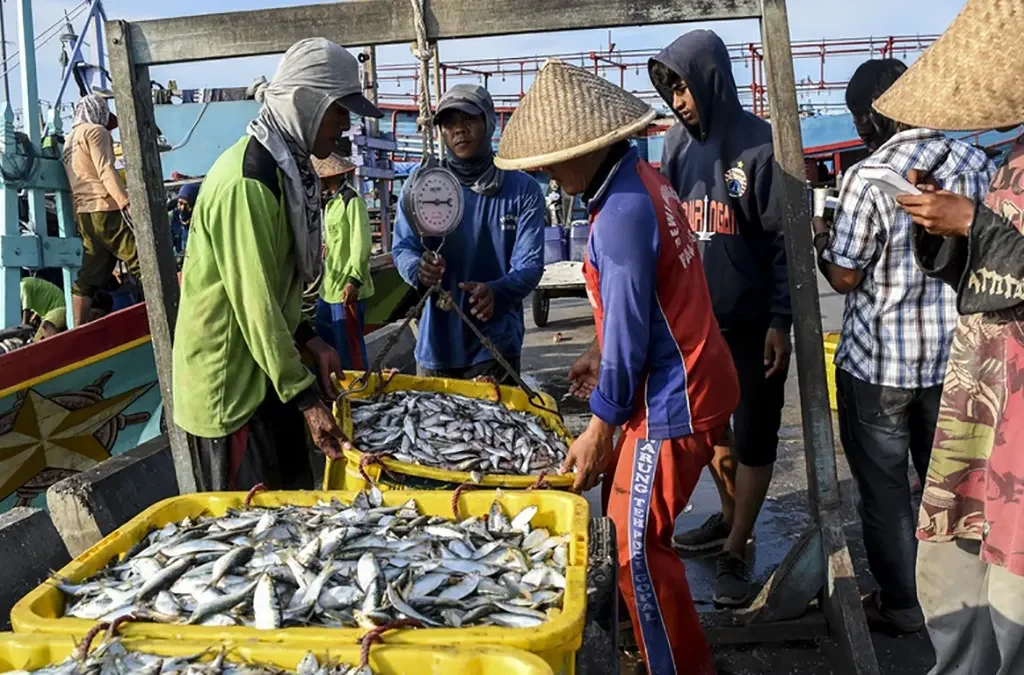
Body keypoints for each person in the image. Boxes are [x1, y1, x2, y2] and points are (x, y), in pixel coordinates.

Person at [495, 59, 739, 675]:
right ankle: (653, 647)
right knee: (625, 533)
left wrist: (601, 423)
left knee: (636, 552)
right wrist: (598, 354)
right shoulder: (641, 180)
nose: (546, 171)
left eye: (552, 158)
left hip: (669, 402)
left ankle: (681, 666)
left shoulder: (621, 216)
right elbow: (653, 305)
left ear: (588, 146)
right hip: (688, 377)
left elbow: (633, 343)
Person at [813, 59, 997, 635]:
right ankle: (959, 601)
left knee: (887, 492)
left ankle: (901, 605)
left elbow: (844, 277)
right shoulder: (978, 164)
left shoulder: (869, 177)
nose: (858, 129)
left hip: (881, 365)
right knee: (952, 485)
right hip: (957, 361)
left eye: (857, 118)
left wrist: (822, 240)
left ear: (874, 114)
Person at [870, 1, 1024, 671]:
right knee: (958, 574)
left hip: (1016, 420)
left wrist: (974, 224)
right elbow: (1003, 269)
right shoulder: (1010, 159)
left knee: (1012, 599)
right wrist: (947, 233)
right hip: (983, 404)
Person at [172, 38, 384, 491]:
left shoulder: (289, 169)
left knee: (294, 508)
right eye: (339, 109)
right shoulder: (249, 180)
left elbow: (279, 289)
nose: (345, 125)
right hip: (231, 393)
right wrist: (306, 398)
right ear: (307, 103)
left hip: (269, 376)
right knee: (251, 531)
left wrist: (312, 341)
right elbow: (257, 306)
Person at [648, 29, 791, 607]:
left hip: (755, 325)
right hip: (696, 324)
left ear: (710, 78)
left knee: (755, 436)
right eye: (672, 90)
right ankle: (730, 517)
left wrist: (782, 319)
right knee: (711, 429)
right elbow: (668, 228)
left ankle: (737, 550)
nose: (680, 100)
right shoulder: (676, 147)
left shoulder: (762, 145)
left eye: (685, 86)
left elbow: (783, 241)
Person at [392, 85, 544, 383]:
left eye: (469, 119)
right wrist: (418, 270)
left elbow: (529, 266)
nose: (459, 130)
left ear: (490, 122)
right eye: (449, 123)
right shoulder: (420, 186)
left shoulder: (522, 189)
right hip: (436, 346)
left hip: (495, 348)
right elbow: (403, 247)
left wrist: (497, 291)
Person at [62, 94, 141, 326]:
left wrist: (77, 217)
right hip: (107, 206)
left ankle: (78, 328)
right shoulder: (96, 132)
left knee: (87, 278)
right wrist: (125, 201)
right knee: (143, 259)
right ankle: (164, 314)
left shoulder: (68, 142)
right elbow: (106, 169)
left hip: (86, 215)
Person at [313, 152, 373, 370]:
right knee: (326, 342)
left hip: (345, 288)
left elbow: (362, 243)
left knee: (350, 349)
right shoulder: (330, 203)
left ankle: (358, 395)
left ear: (327, 177)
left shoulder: (352, 200)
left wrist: (354, 281)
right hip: (328, 287)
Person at [169, 182, 200, 256]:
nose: (182, 208)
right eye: (180, 203)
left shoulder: (199, 220)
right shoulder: (173, 217)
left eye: (186, 204)